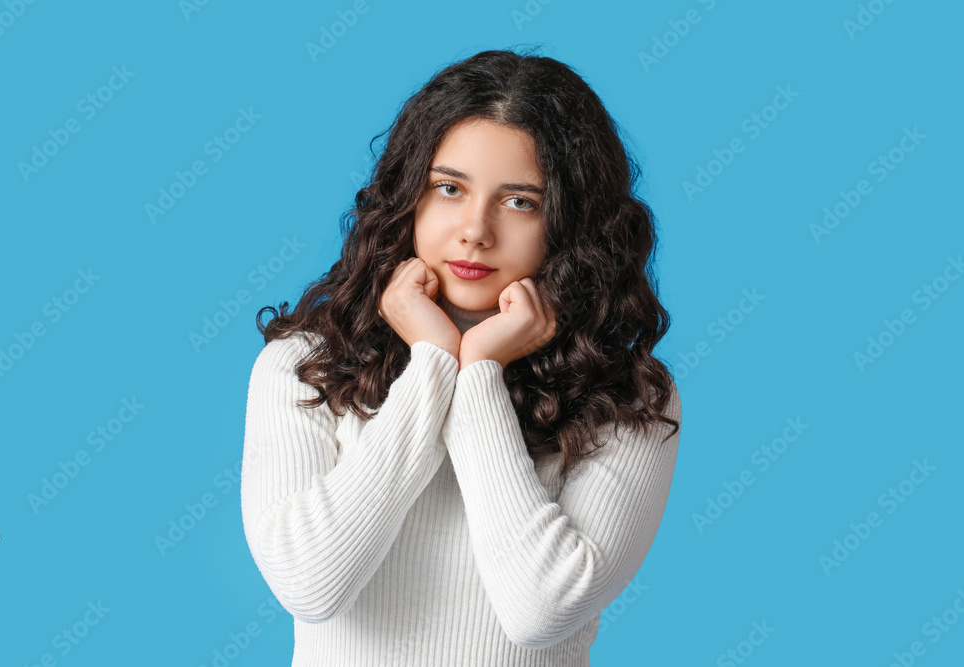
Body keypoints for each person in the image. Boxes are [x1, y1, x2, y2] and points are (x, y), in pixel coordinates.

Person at [240, 47, 682, 666]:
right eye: (449, 189)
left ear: (571, 223)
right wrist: (432, 363)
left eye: (520, 201)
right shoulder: (306, 364)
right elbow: (312, 585)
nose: (476, 229)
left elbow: (540, 610)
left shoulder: (628, 397)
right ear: (408, 197)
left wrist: (478, 375)